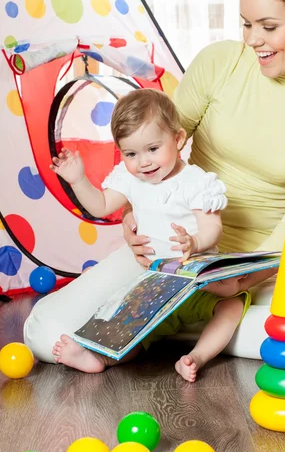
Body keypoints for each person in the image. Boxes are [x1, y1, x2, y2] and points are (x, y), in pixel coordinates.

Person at [24, 0, 285, 371]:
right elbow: (154, 152)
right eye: (245, 23)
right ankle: (179, 326)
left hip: (253, 273)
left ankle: (163, 328)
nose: (252, 39)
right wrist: (132, 218)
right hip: (173, 256)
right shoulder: (219, 63)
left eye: (268, 26)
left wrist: (239, 276)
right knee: (44, 332)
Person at [49, 88, 252, 381]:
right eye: (131, 153)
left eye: (153, 149)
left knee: (232, 304)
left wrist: (195, 242)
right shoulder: (131, 179)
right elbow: (101, 205)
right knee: (135, 329)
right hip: (154, 287)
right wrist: (78, 180)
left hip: (196, 284)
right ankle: (98, 358)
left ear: (178, 139)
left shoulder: (195, 181)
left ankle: (196, 357)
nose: (143, 162)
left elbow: (212, 227)